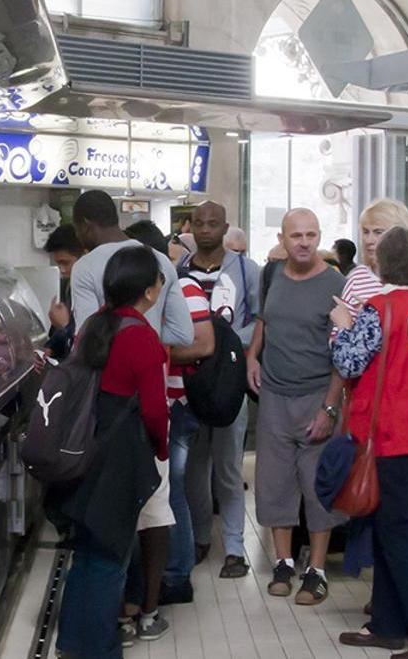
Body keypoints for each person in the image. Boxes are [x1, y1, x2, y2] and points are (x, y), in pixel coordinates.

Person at [330, 227, 408, 659]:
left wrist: (342, 326)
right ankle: (386, 624)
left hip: (388, 435)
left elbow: (349, 361)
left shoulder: (378, 309)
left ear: (380, 264)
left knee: (400, 534)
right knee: (394, 530)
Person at [54, 246, 172, 659]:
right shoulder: (141, 337)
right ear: (149, 291)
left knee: (87, 551)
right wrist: (160, 450)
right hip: (121, 457)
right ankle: (100, 650)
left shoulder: (92, 327)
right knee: (111, 557)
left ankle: (72, 643)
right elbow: (156, 411)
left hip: (83, 449)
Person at [118, 227, 214, 644]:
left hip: (173, 407)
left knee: (168, 496)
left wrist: (160, 350)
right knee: (162, 499)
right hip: (156, 413)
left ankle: (174, 577)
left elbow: (202, 342)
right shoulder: (138, 322)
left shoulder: (182, 289)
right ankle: (155, 591)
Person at [246, 208, 346, 606]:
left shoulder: (335, 283)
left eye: (311, 235)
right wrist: (253, 356)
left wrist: (329, 408)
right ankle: (283, 563)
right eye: (296, 236)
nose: (303, 242)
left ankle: (316, 570)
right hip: (273, 396)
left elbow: (343, 353)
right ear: (282, 239)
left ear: (319, 237)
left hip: (316, 396)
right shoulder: (271, 275)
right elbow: (264, 320)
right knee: (273, 484)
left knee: (317, 486)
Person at [176, 201, 260, 581]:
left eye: (213, 224)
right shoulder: (178, 274)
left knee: (228, 466)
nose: (206, 229)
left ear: (226, 227)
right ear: (190, 227)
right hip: (189, 381)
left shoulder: (246, 270)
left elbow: (260, 318)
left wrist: (241, 351)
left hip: (228, 379)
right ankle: (198, 537)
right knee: (194, 468)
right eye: (199, 224)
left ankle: (235, 548)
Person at [71, 190, 194, 349]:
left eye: (76, 230)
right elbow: (183, 334)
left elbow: (86, 336)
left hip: (110, 371)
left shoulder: (85, 267)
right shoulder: (160, 259)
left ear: (85, 226)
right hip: (152, 368)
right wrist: (149, 332)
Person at [338, 199, 408, 317]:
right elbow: (339, 332)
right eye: (365, 232)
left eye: (378, 232)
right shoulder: (356, 279)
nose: (369, 240)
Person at [43, 225, 85, 361]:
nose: (61, 270)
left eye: (65, 263)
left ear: (85, 256)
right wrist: (49, 348)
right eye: (58, 264)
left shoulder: (92, 291)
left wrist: (65, 326)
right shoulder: (66, 286)